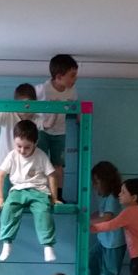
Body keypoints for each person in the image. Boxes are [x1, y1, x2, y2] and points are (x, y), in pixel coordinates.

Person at [0, 121, 57, 262]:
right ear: (14, 141)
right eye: (19, 146)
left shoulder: (41, 155)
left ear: (35, 143)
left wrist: (54, 197)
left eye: (27, 147)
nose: (22, 151)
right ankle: (7, 242)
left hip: (39, 191)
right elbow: (0, 175)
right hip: (17, 190)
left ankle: (48, 245)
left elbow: (52, 175)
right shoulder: (12, 155)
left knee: (43, 212)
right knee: (8, 210)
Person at [35, 54, 78, 202]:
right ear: (59, 77)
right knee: (40, 162)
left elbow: (75, 105)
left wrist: (79, 116)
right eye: (72, 75)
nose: (75, 79)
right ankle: (40, 193)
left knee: (58, 165)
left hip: (60, 132)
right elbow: (28, 102)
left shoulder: (71, 91)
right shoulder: (43, 89)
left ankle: (58, 195)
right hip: (42, 131)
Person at [88, 161, 127, 275]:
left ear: (106, 181)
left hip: (113, 244)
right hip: (103, 241)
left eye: (97, 182)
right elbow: (101, 213)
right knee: (91, 260)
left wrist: (90, 223)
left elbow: (108, 217)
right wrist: (90, 217)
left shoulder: (113, 197)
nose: (94, 185)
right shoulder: (105, 197)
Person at [0, 82, 37, 166]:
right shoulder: (7, 114)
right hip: (5, 165)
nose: (25, 109)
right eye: (22, 104)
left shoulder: (37, 117)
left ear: (34, 103)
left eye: (29, 105)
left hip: (26, 166)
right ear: (16, 103)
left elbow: (47, 126)